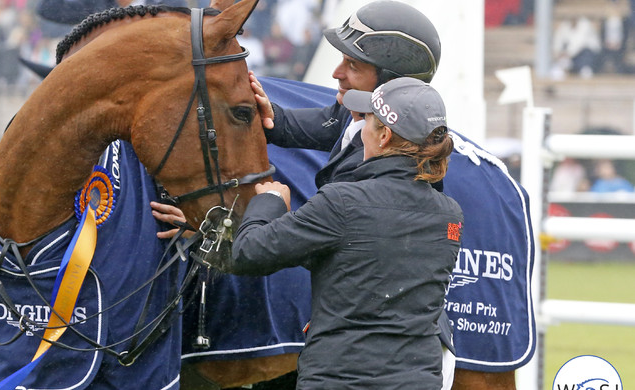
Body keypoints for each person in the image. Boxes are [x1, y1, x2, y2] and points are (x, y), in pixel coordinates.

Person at [250, 1, 535, 388]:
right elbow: (333, 124)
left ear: (385, 99)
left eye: (352, 65)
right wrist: (274, 118)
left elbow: (278, 248)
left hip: (363, 361)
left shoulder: (360, 182)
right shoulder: (385, 135)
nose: (336, 73)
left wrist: (265, 207)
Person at [223, 77, 463, 389]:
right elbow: (354, 257)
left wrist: (268, 205)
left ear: (384, 136)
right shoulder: (450, 213)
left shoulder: (342, 202)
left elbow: (248, 253)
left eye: (367, 121)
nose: (360, 130)